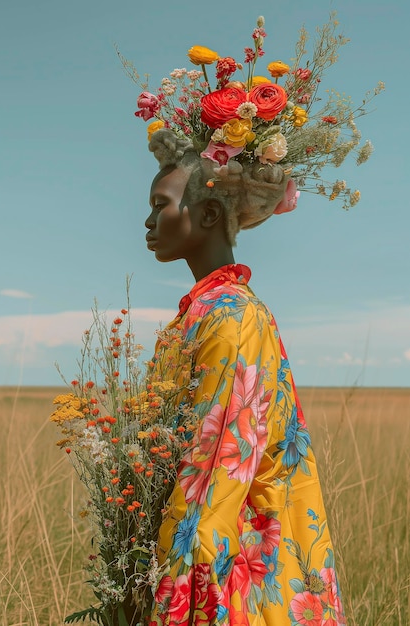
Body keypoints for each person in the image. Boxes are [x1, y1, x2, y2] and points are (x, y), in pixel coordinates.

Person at [143, 128, 346, 626]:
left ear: (209, 214)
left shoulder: (231, 317)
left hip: (235, 566)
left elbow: (216, 472)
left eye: (160, 204)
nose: (148, 221)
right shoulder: (205, 312)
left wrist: (173, 587)